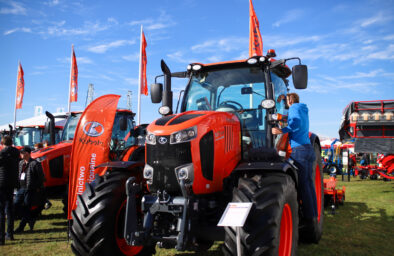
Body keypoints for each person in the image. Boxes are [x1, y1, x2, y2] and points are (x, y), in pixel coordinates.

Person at [272, 93, 318, 226]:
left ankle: (307, 219)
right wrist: (284, 117)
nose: (286, 102)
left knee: (302, 184)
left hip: (299, 151)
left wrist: (281, 130)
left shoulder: (293, 108)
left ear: (290, 100)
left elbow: (296, 122)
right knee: (309, 184)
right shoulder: (303, 108)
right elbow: (297, 120)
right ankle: (313, 215)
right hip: (308, 149)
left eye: (287, 100)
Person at [14, 146, 45, 233]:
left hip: (30, 189)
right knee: (16, 205)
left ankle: (21, 227)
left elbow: (41, 177)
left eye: (22, 153)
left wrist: (38, 188)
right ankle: (30, 219)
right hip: (21, 188)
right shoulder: (21, 163)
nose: (21, 154)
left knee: (27, 207)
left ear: (27, 153)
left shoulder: (35, 164)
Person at [0, 136, 20, 244]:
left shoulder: (2, 153)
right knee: (9, 209)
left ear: (3, 143)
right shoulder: (16, 153)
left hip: (1, 183)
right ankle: (10, 234)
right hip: (12, 183)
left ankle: (1, 238)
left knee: (1, 211)